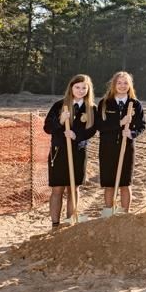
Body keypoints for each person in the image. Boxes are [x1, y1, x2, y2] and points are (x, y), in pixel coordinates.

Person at [44, 74, 98, 228]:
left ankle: (70, 222)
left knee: (73, 188)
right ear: (71, 88)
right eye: (77, 87)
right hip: (59, 152)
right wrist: (60, 121)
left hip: (78, 153)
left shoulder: (91, 108)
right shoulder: (59, 105)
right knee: (57, 189)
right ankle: (55, 224)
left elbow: (93, 130)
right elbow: (47, 127)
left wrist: (76, 135)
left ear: (88, 90)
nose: (81, 90)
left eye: (84, 88)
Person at [96, 71, 145, 214]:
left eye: (125, 83)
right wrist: (119, 123)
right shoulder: (105, 103)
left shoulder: (135, 104)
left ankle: (124, 213)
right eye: (119, 83)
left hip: (127, 148)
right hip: (108, 148)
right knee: (109, 184)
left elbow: (141, 125)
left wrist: (132, 133)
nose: (122, 86)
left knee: (125, 183)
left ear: (130, 85)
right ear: (114, 84)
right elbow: (100, 126)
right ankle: (108, 212)